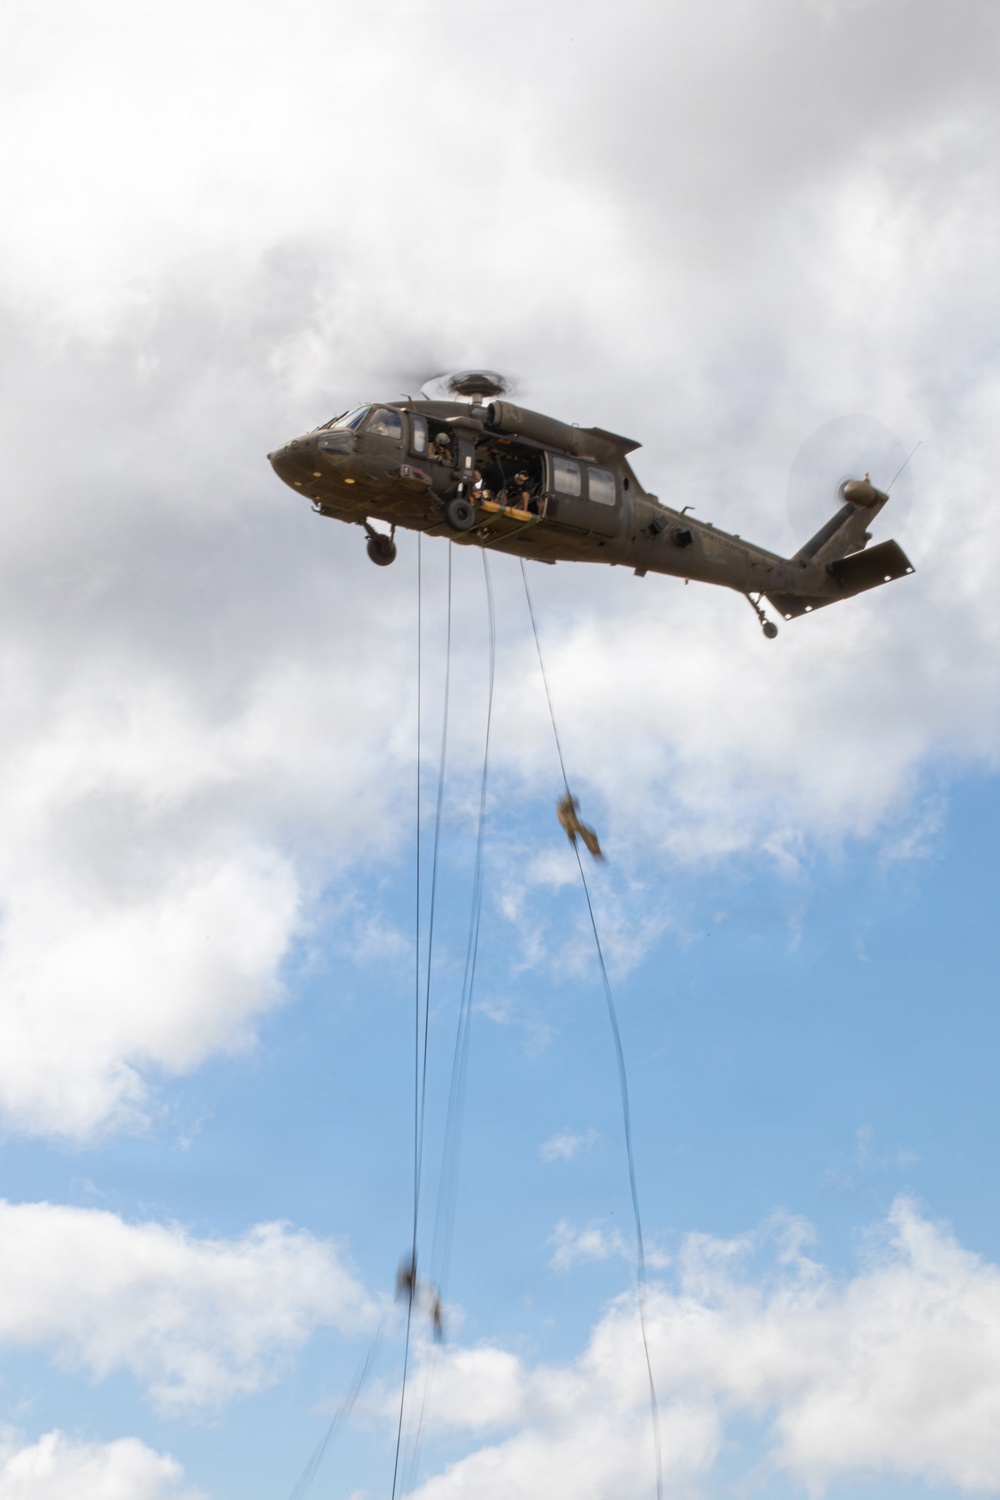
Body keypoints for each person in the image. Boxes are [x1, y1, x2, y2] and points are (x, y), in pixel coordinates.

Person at [556, 793, 603, 860]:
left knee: (591, 834)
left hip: (574, 825)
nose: (573, 807)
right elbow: (566, 824)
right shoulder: (561, 810)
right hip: (572, 825)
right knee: (584, 831)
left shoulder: (570, 811)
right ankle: (594, 850)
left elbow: (571, 806)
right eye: (573, 805)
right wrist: (571, 835)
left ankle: (596, 850)